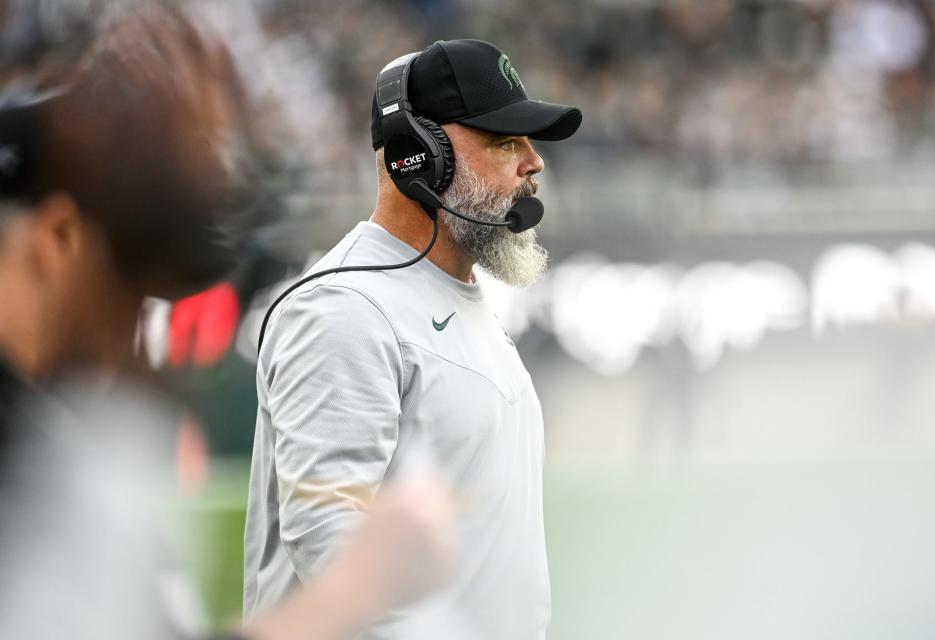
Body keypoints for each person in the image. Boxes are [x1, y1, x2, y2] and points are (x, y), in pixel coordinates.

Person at [0, 6, 453, 640]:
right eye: (129, 286)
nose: (132, 334)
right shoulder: (39, 465)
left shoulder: (57, 432)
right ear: (55, 239)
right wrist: (355, 588)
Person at [246, 39, 582, 639]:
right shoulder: (344, 309)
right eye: (506, 141)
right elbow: (331, 553)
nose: (534, 162)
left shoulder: (454, 299)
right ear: (419, 155)